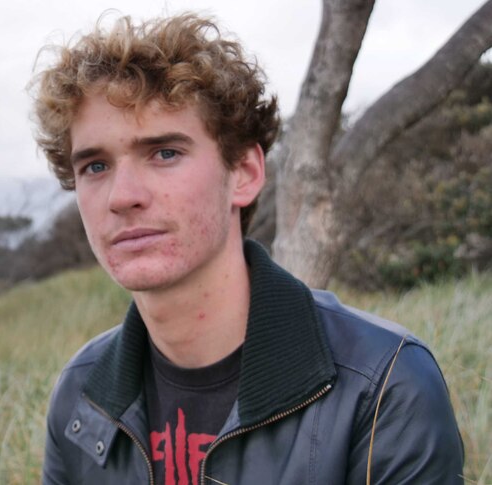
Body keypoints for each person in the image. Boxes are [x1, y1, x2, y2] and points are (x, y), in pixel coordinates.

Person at [30, 13, 464, 485]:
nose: (122, 196)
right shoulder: (81, 392)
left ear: (244, 173)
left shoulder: (383, 384)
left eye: (165, 153)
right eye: (95, 166)